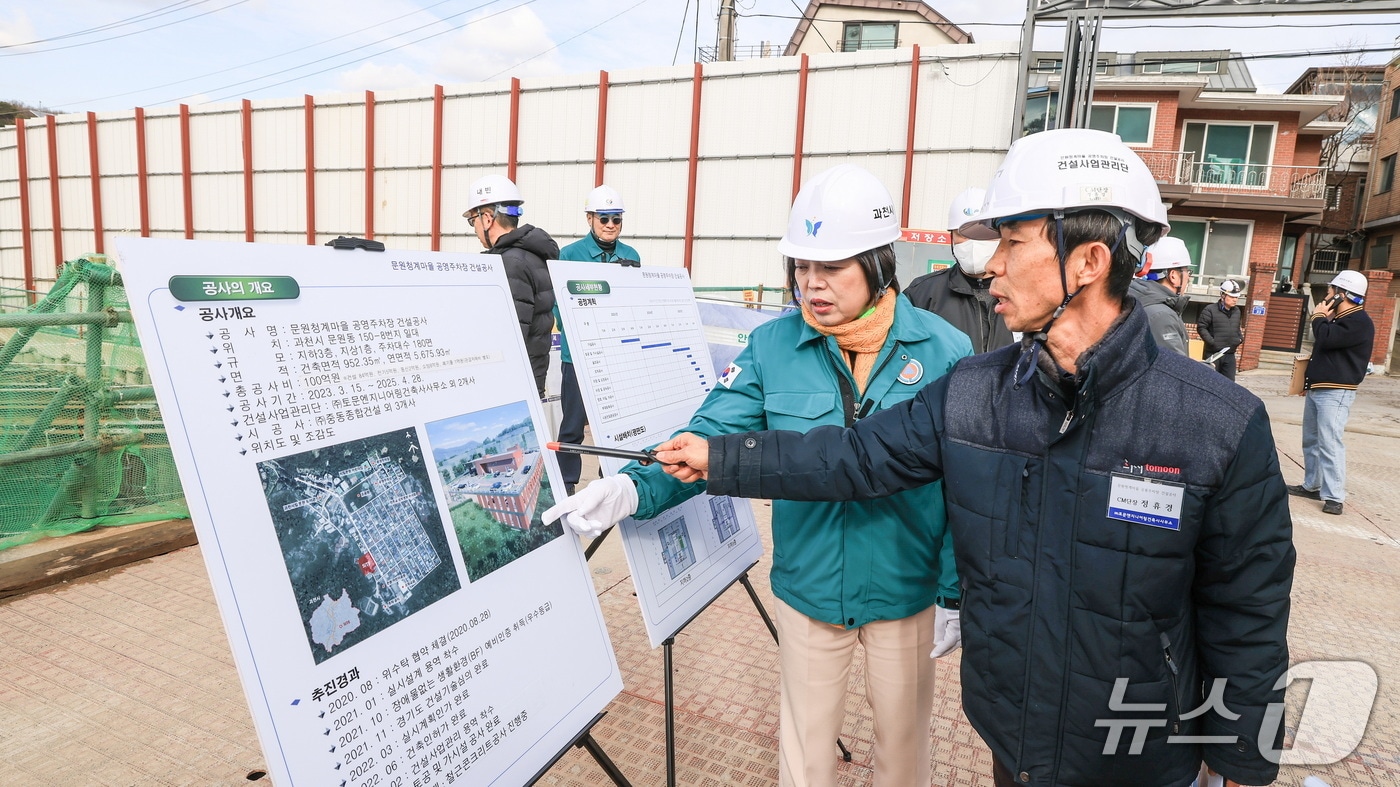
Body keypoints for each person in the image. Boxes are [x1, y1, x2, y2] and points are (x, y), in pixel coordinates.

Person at [648, 130, 1295, 787]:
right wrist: (722, 456)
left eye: (1013, 242)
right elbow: (854, 457)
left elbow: (1247, 613)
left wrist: (1242, 762)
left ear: (1090, 260)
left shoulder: (1217, 424)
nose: (991, 265)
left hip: (1138, 757)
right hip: (1013, 743)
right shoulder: (976, 394)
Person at [546, 164, 972, 787]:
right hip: (809, 588)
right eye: (801, 268)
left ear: (879, 265)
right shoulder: (772, 347)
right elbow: (709, 436)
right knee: (804, 754)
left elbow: (964, 484)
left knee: (904, 753)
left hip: (906, 590)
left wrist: (953, 590)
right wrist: (634, 488)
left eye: (831, 269)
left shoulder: (944, 350)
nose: (812, 285)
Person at [554, 185, 641, 494]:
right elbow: (559, 304)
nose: (610, 226)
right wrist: (577, 337)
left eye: (616, 219)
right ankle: (566, 484)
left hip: (616, 356)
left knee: (615, 423)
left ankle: (612, 480)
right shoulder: (570, 255)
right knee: (573, 424)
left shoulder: (631, 257)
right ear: (589, 218)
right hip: (577, 357)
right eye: (604, 218)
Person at [1287, 269, 1375, 516]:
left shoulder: (1358, 321)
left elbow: (1326, 339)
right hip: (1320, 388)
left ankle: (1334, 496)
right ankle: (1312, 484)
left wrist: (1318, 316)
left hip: (1336, 392)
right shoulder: (1337, 319)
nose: (1326, 297)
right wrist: (1309, 382)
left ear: (1341, 294)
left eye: (1330, 292)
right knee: (1311, 440)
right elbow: (1325, 353)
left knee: (1329, 442)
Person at [464, 174, 559, 396]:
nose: (475, 229)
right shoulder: (532, 255)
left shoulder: (510, 262)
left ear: (487, 218)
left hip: (514, 381)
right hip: (531, 371)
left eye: (473, 221)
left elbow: (509, 333)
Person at [904, 187, 1015, 353]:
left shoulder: (1021, 292)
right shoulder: (922, 293)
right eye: (963, 234)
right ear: (951, 238)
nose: (974, 243)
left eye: (983, 233)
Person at [1129, 236, 1193, 355]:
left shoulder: (1140, 300)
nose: (1189, 278)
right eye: (1187, 272)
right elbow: (1174, 368)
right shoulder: (1162, 316)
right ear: (1173, 275)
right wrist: (1206, 368)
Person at [1197, 279, 1244, 380]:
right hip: (1214, 354)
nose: (1235, 300)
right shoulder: (1210, 310)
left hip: (1230, 354)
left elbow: (1237, 328)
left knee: (1230, 385)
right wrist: (1212, 342)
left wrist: (1239, 339)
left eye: (1236, 297)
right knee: (1211, 383)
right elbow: (1201, 327)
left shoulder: (1237, 311)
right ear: (1223, 295)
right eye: (1232, 296)